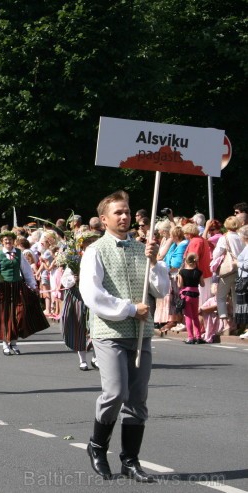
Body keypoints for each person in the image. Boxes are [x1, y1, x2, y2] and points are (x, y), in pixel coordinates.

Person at [80, 191, 169, 482]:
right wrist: (130, 309)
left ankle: (130, 460)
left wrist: (154, 262)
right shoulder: (95, 250)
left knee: (138, 399)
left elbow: (161, 289)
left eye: (127, 212)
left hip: (140, 333)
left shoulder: (143, 249)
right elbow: (92, 294)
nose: (124, 217)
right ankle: (96, 445)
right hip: (110, 331)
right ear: (104, 219)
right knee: (116, 393)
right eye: (118, 212)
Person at [0, 231, 48, 355]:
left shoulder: (19, 254)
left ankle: (14, 342)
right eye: (5, 241)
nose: (8, 242)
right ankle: (5, 342)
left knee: (19, 313)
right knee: (5, 315)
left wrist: (33, 286)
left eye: (10, 240)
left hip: (17, 286)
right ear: (2, 242)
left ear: (13, 241)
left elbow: (27, 272)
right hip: (3, 288)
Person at [60, 234, 99, 370]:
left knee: (96, 328)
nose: (91, 245)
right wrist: (74, 279)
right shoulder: (76, 260)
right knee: (78, 327)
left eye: (93, 242)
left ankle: (96, 357)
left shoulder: (100, 257)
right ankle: (83, 359)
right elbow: (65, 280)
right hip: (78, 297)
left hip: (95, 297)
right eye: (88, 242)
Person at [178, 253, 204, 344]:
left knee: (188, 317)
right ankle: (198, 336)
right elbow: (202, 284)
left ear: (186, 261)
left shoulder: (182, 272)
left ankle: (190, 337)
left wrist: (178, 277)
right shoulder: (199, 272)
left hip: (186, 295)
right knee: (195, 316)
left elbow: (180, 285)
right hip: (195, 294)